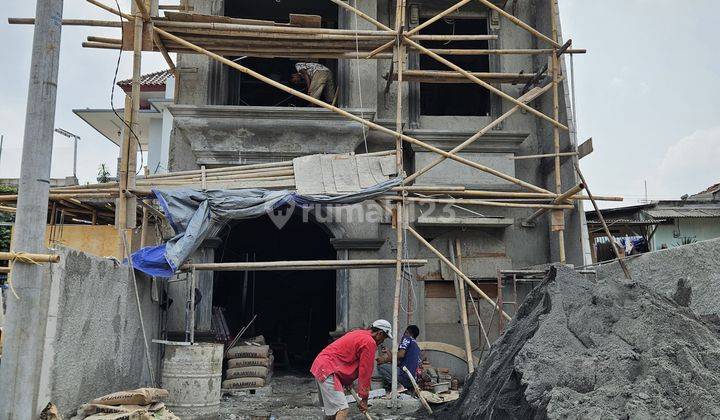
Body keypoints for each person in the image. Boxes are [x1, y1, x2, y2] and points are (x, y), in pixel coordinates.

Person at [310, 319, 392, 419]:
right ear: (380, 333)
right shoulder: (369, 342)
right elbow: (365, 372)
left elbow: (346, 358)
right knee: (342, 409)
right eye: (384, 337)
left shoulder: (359, 333)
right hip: (328, 369)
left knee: (333, 412)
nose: (383, 341)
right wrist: (364, 398)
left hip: (323, 366)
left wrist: (347, 381)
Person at [376, 325, 421, 391]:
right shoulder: (416, 346)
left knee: (381, 366)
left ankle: (398, 386)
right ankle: (404, 388)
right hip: (412, 379)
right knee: (391, 367)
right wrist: (388, 351)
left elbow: (401, 354)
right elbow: (397, 362)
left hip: (405, 375)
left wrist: (384, 360)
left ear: (407, 332)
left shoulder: (407, 338)